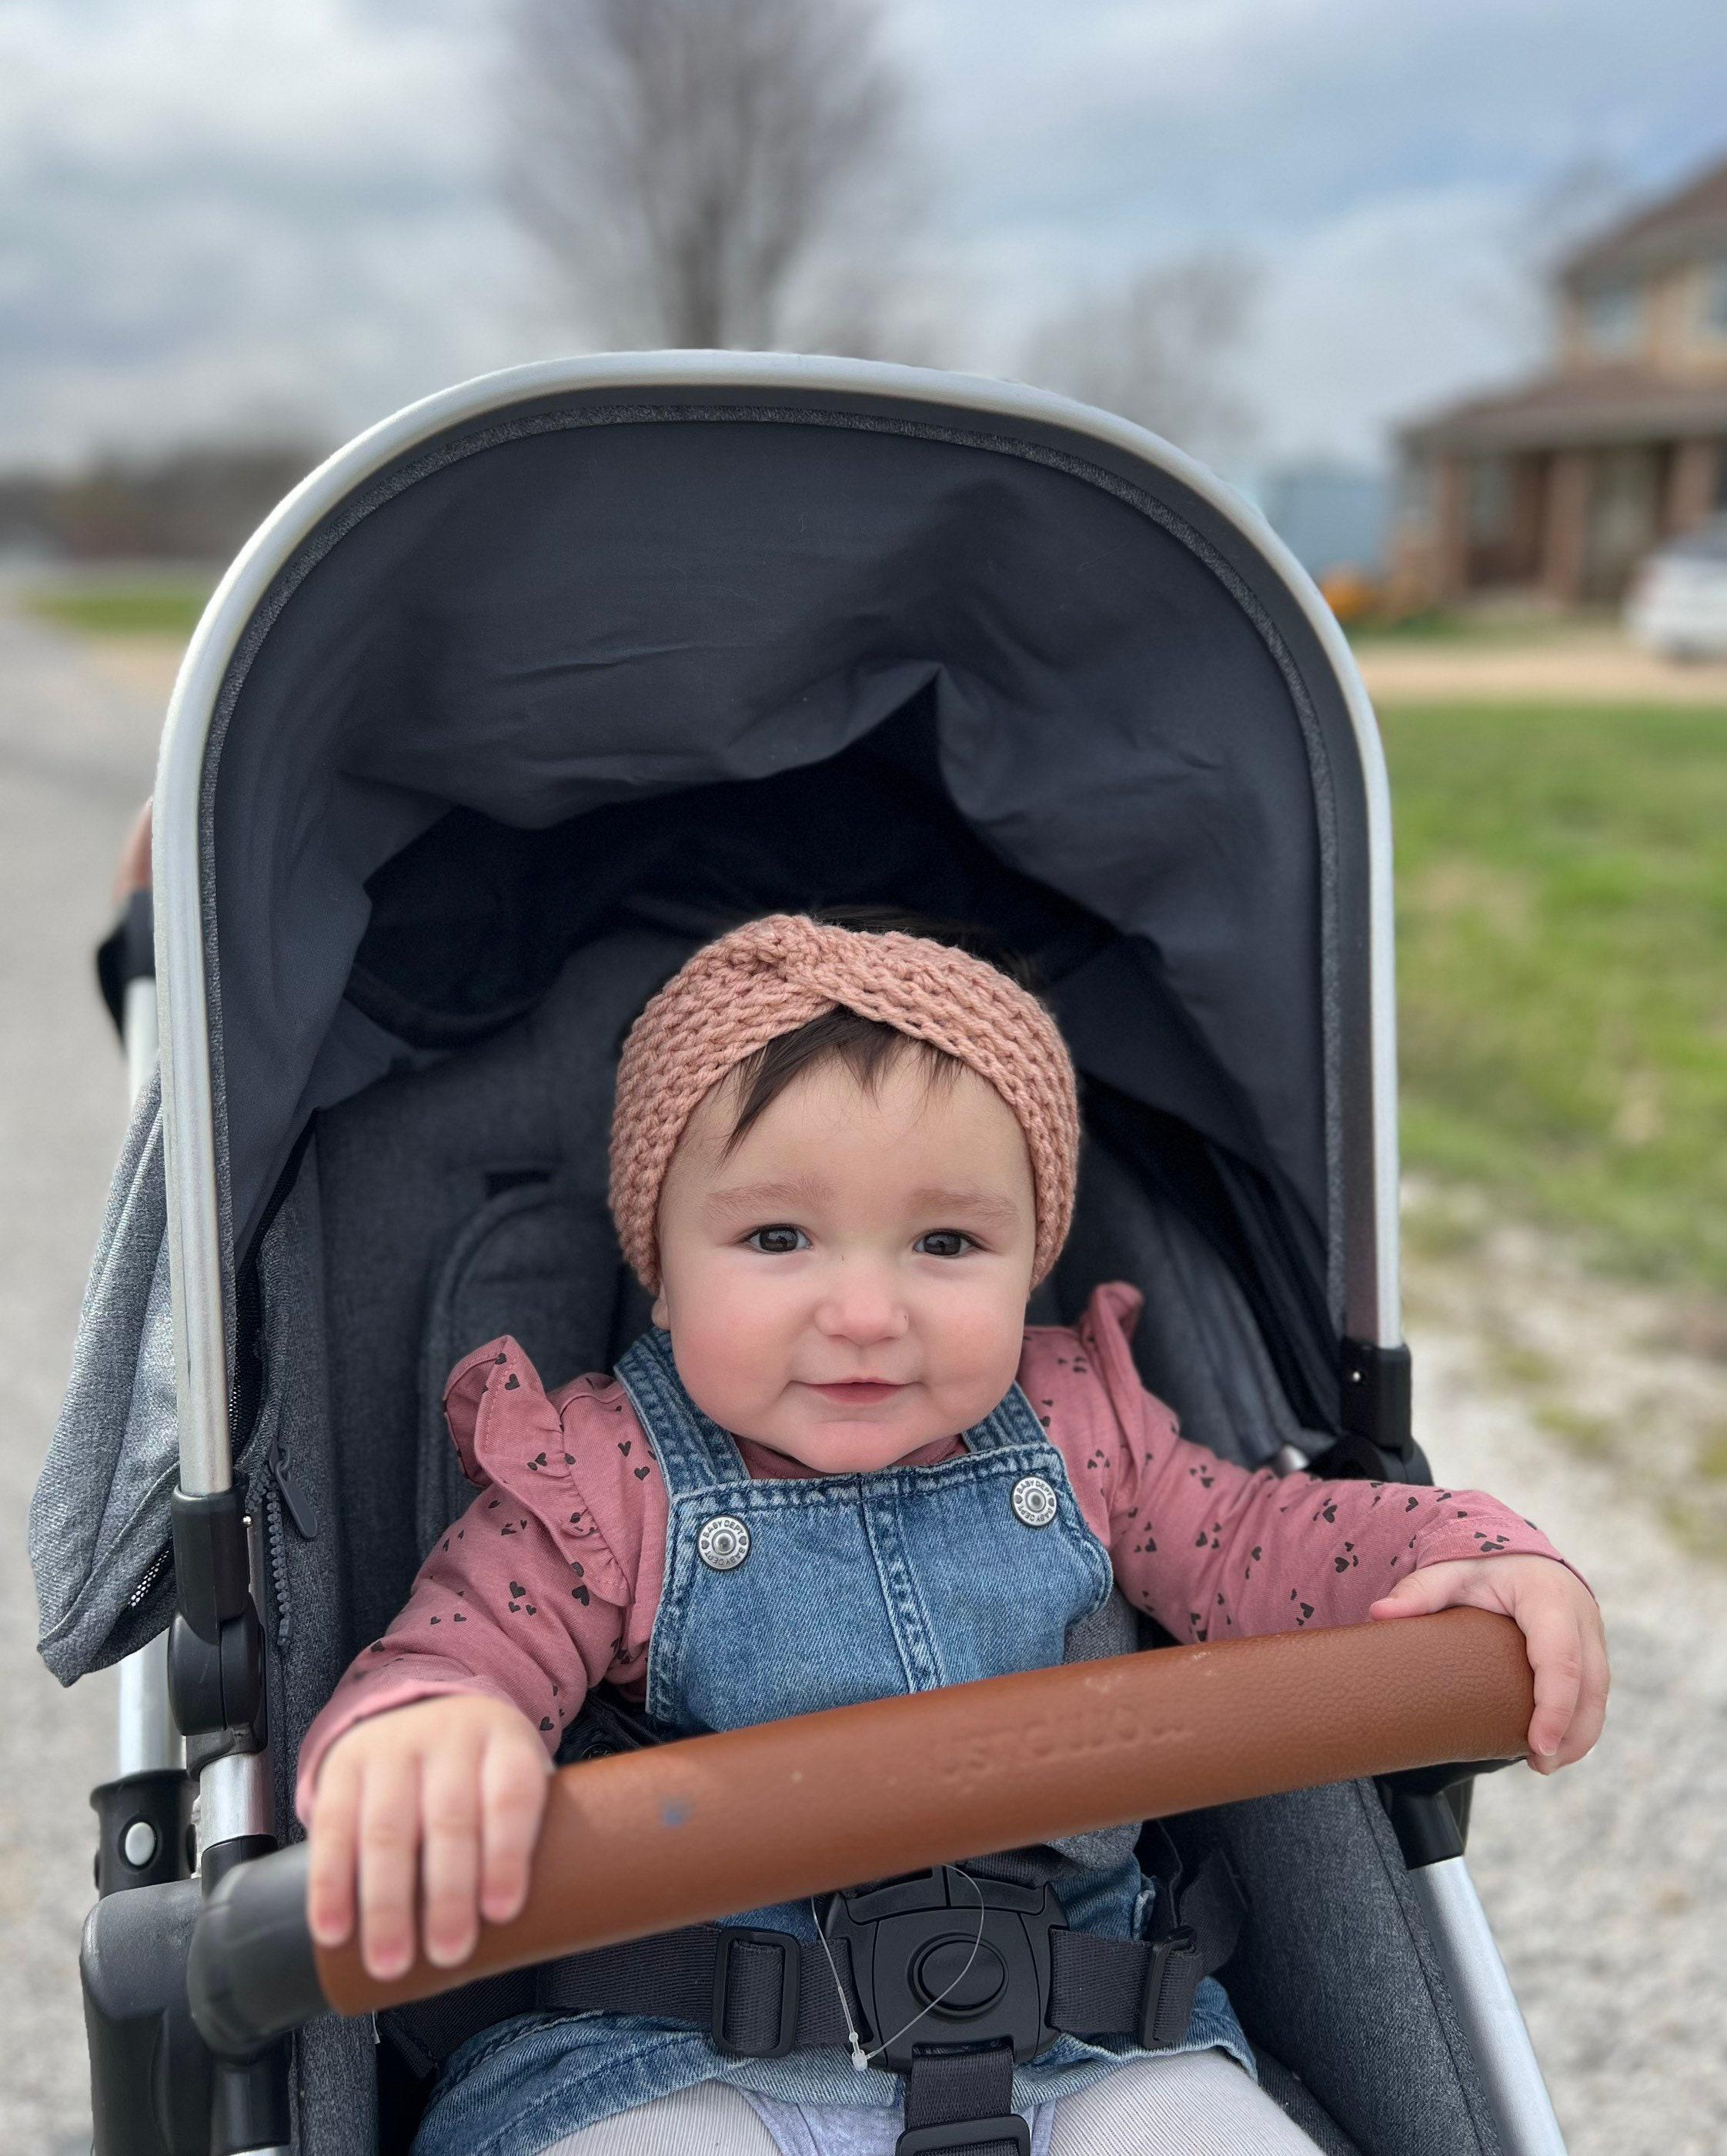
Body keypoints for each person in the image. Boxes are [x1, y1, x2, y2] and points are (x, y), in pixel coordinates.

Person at [296, 914, 1608, 2156]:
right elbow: (464, 1648)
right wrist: (435, 1730)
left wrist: (1459, 1543)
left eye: (944, 1241)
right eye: (776, 1237)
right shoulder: (599, 1478)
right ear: (661, 1260)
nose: (866, 1311)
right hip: (673, 2041)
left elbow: (1260, 1538)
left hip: (1087, 2033)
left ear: (1034, 1255)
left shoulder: (1084, 1427)